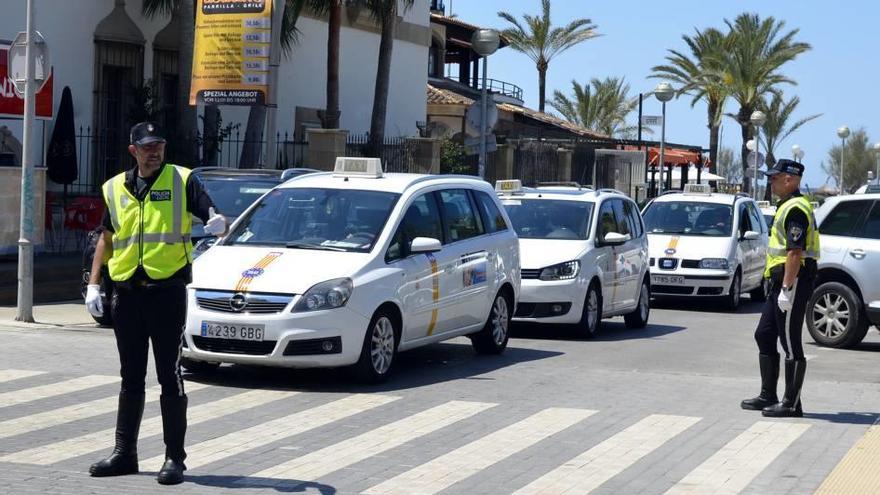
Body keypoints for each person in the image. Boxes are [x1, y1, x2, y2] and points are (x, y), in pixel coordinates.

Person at [84, 122, 227, 484]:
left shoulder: (182, 180)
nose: (154, 151)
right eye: (147, 146)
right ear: (134, 151)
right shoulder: (114, 187)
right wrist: (94, 284)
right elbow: (107, 237)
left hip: (166, 293)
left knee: (169, 376)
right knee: (130, 377)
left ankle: (174, 459)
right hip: (127, 295)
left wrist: (215, 220)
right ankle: (124, 454)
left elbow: (209, 211)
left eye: (159, 145)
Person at [741, 159, 819, 418]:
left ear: (790, 179)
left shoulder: (796, 208)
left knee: (790, 342)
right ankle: (768, 395)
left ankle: (792, 403)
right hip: (779, 283)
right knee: (764, 334)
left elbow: (795, 253)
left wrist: (787, 288)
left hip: (793, 283)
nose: (770, 182)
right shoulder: (786, 205)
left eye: (775, 178)